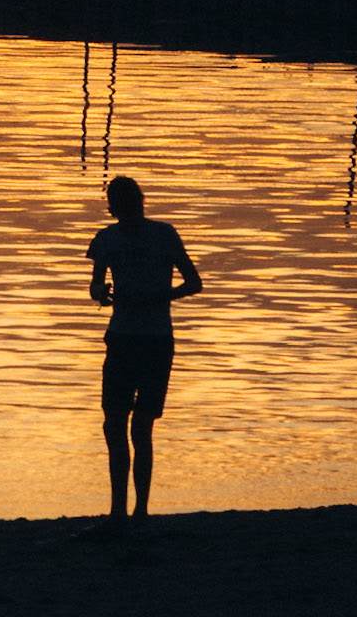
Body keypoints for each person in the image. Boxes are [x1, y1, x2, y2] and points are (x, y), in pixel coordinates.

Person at [86, 176, 202, 534]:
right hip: (122, 337)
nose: (124, 210)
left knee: (140, 426)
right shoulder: (106, 239)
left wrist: (157, 298)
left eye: (127, 203)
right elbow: (94, 285)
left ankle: (138, 512)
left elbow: (194, 282)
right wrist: (102, 293)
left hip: (154, 339)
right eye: (119, 205)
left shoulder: (164, 234)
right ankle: (120, 511)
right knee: (115, 423)